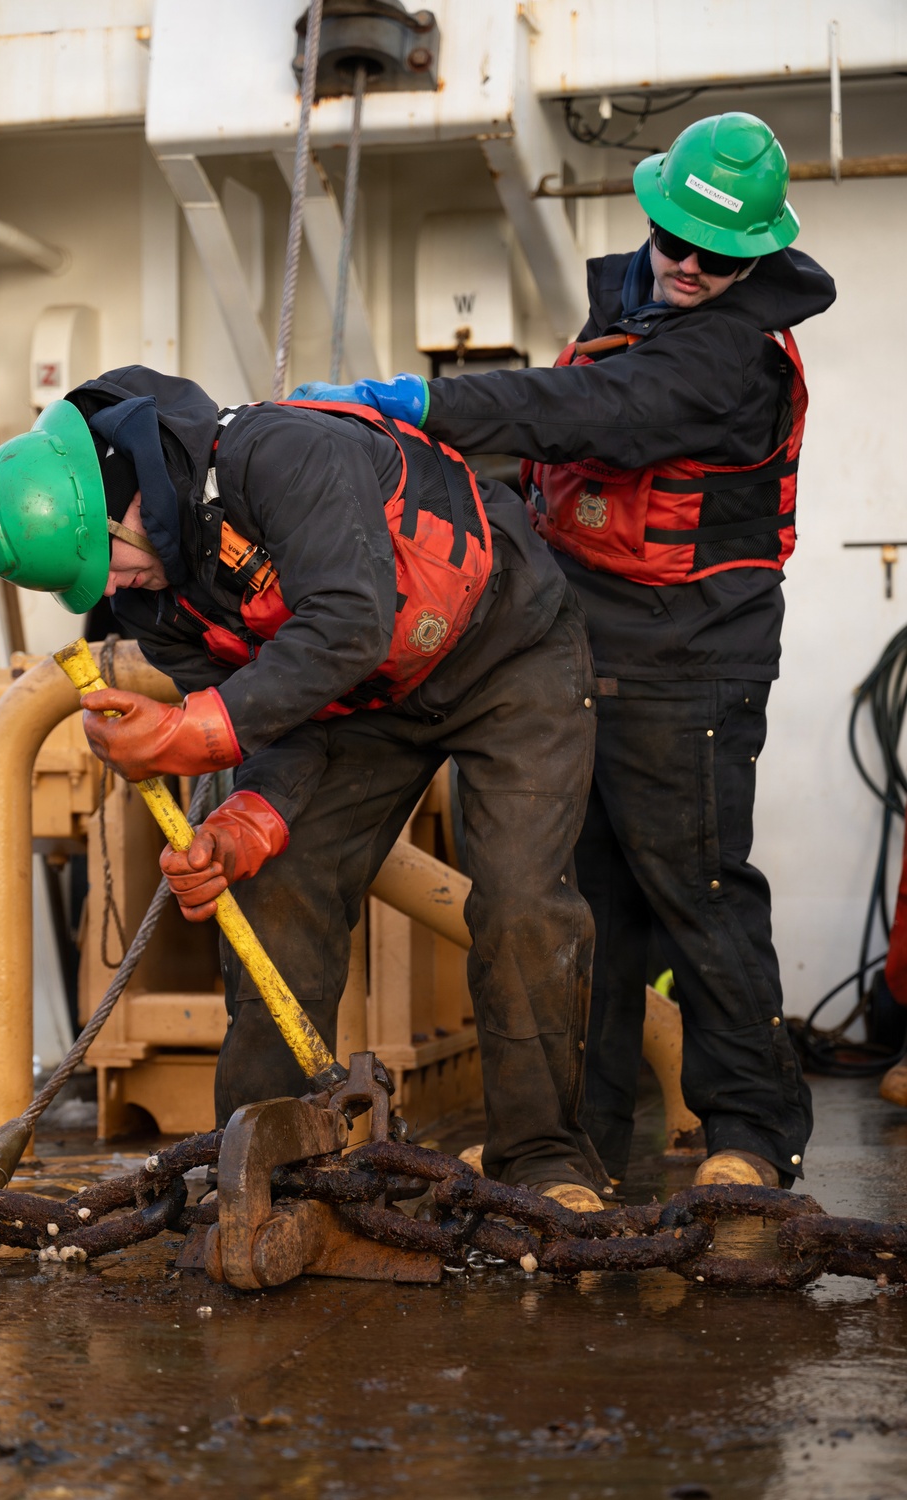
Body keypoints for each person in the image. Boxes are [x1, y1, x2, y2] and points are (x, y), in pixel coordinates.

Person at [290, 112, 837, 1189]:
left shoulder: (725, 361)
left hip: (692, 668)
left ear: (756, 255)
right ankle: (571, 1143)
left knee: (700, 893)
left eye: (716, 254)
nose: (684, 265)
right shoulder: (634, 309)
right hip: (581, 653)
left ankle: (750, 1135)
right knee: (588, 906)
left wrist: (419, 402)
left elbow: (589, 411)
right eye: (672, 237)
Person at [0, 365, 614, 1210]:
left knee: (523, 899)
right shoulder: (159, 606)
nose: (113, 588)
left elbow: (345, 623)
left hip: (509, 656)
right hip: (367, 706)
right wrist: (247, 821)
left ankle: (544, 1162)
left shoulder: (279, 453)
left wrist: (192, 732)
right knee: (274, 890)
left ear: (126, 497)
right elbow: (285, 710)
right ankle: (262, 1171)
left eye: (109, 562)